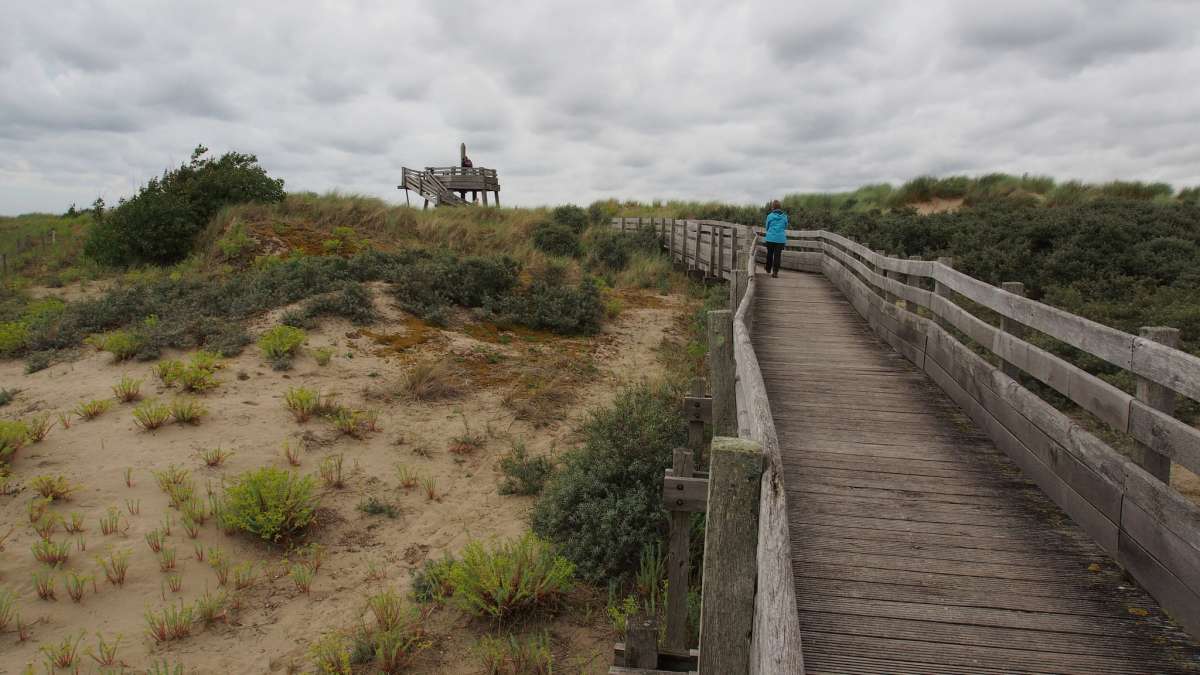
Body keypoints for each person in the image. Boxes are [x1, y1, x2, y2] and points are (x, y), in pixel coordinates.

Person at [763, 200, 788, 277]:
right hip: (780, 239)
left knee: (769, 254)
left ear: (773, 207)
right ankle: (775, 272)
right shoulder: (784, 216)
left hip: (770, 238)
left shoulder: (769, 216)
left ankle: (768, 269)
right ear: (780, 207)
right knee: (777, 256)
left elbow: (767, 227)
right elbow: (785, 226)